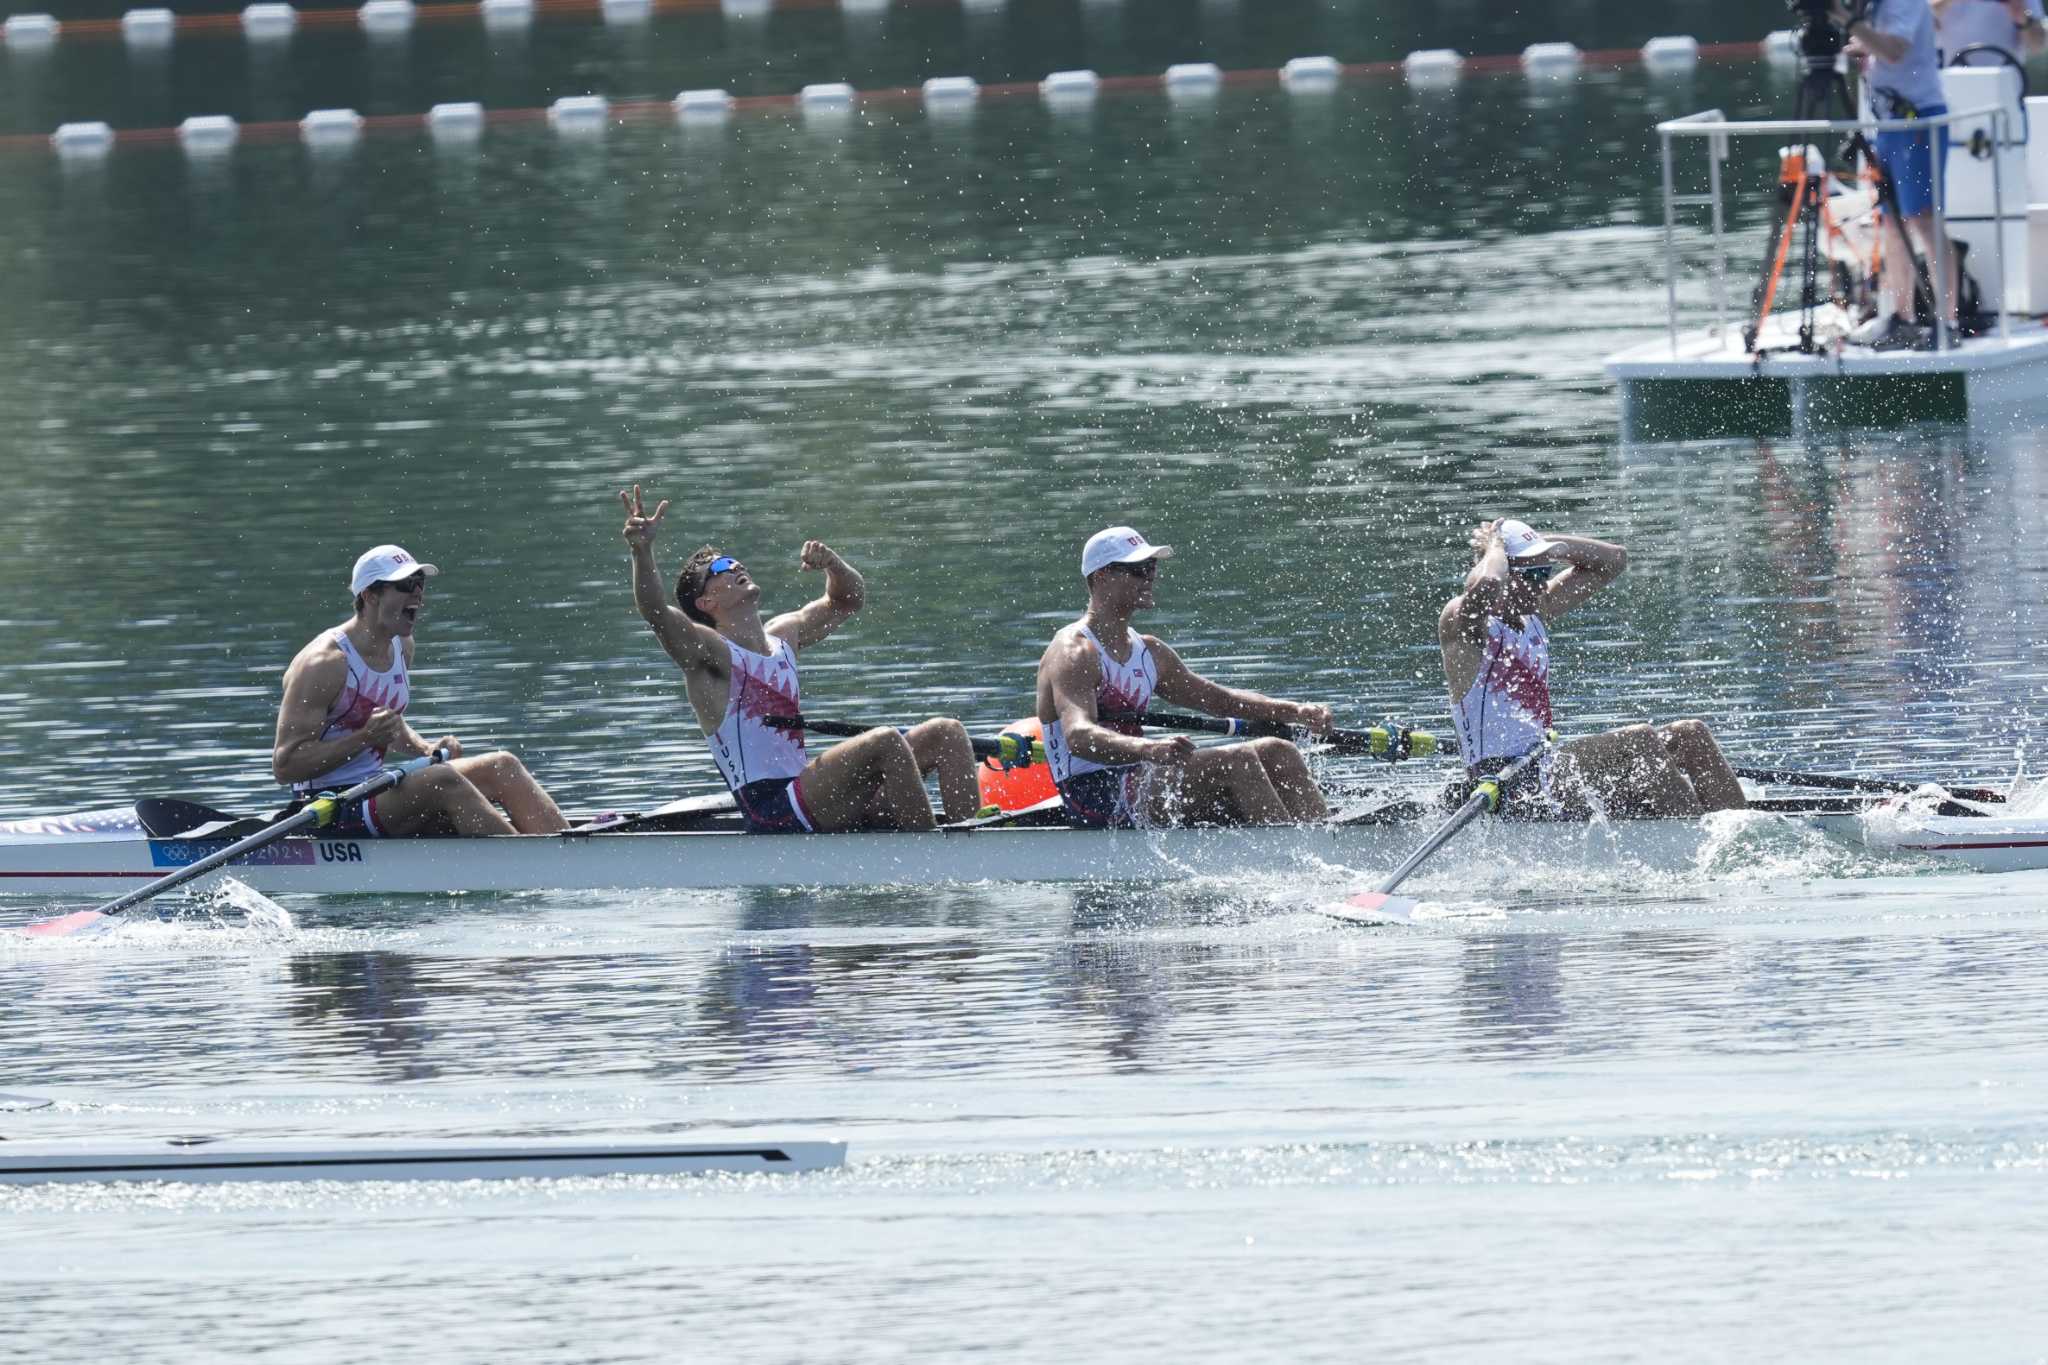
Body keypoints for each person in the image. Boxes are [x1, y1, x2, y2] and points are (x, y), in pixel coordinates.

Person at [619, 486, 978, 832]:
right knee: (884, 740)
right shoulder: (709, 654)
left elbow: (848, 600)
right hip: (772, 810)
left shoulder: (785, 635)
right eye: (721, 568)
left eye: (733, 560)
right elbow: (655, 612)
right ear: (706, 602)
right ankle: (932, 856)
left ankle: (971, 839)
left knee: (946, 732)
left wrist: (833, 565)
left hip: (812, 796)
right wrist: (641, 551)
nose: (735, 565)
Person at [1439, 518, 1747, 819]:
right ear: (1504, 571)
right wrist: (1496, 543)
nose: (1542, 584)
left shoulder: (1535, 612)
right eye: (1532, 574)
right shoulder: (1464, 623)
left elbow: (1614, 560)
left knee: (1691, 735)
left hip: (1547, 766)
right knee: (1639, 739)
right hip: (1507, 783)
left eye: (1545, 571)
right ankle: (1691, 842)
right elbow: (1487, 584)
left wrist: (1544, 547)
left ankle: (1736, 837)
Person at [1035, 525, 1333, 829]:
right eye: (1138, 569)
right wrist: (1150, 749)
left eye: (1151, 566)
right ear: (1102, 577)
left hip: (1139, 775)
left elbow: (1220, 700)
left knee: (1279, 751)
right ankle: (1289, 861)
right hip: (1092, 793)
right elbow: (1079, 737)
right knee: (1237, 759)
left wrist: (1294, 711)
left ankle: (1324, 848)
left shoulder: (1150, 651)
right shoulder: (1074, 651)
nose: (1150, 576)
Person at [273, 545, 568, 836]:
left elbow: (386, 722)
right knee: (440, 779)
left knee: (503, 765)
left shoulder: (401, 645)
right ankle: (528, 867)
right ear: (369, 595)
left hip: (376, 788)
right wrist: (363, 738)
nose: (417, 594)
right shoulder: (323, 664)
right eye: (404, 585)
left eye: (420, 583)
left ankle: (570, 855)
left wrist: (424, 748)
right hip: (328, 807)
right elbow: (286, 766)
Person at [1837, 0, 1963, 347]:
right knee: (1891, 223)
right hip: (1890, 122)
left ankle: (1948, 324)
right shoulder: (1877, 7)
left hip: (1919, 118)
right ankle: (1900, 317)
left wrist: (1849, 22)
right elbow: (1883, 48)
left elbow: (1894, 50)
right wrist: (1859, 42)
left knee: (1924, 219)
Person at [1933, 0, 2046, 63]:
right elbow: (1922, 30)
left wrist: (2021, 17)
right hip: (1952, 85)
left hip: (2006, 87)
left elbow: (2037, 46)